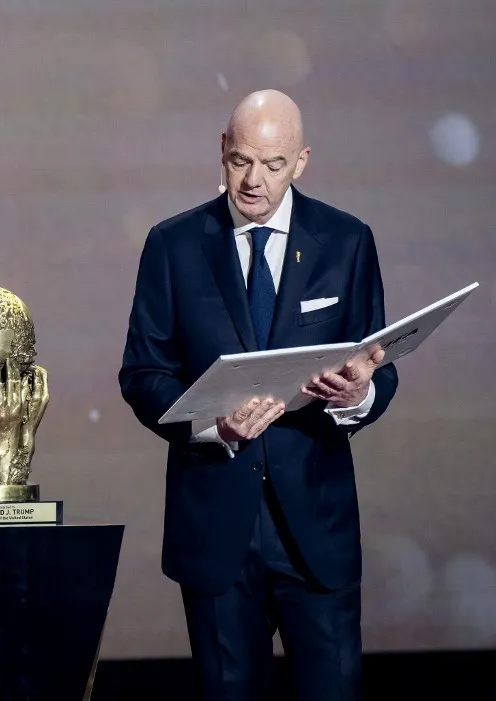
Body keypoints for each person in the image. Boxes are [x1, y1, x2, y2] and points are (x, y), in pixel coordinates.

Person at [118, 89, 399, 700]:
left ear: (301, 161)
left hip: (316, 530)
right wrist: (213, 425)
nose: (253, 180)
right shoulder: (173, 245)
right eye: (241, 160)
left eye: (272, 165)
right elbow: (143, 372)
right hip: (218, 529)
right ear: (222, 150)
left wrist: (357, 392)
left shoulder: (347, 241)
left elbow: (380, 367)